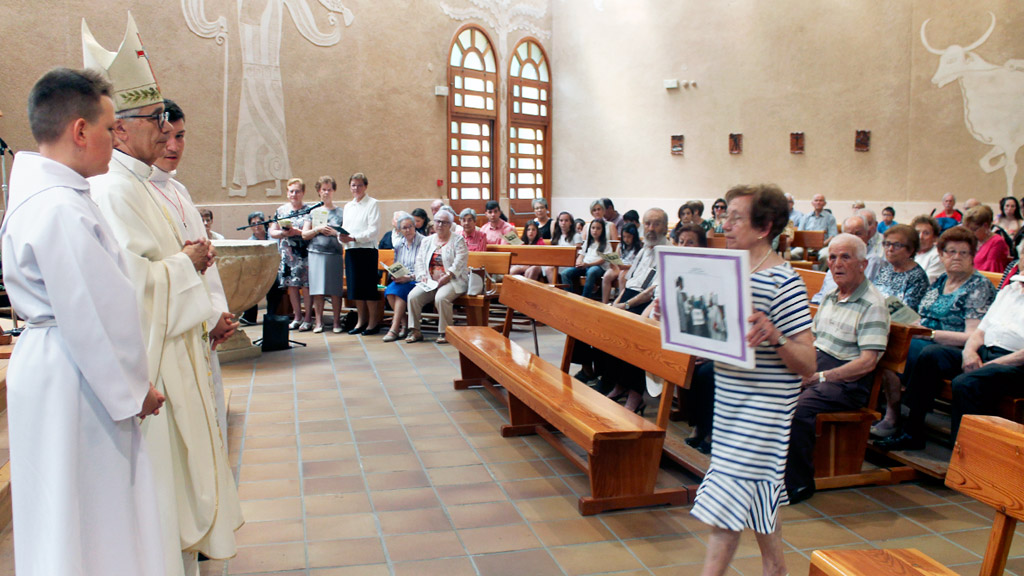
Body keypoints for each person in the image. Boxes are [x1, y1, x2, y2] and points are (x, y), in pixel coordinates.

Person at [84, 15, 243, 572]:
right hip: (155, 360)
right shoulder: (113, 190)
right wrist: (186, 264)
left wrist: (206, 306)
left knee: (181, 478)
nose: (165, 129)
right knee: (162, 482)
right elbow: (130, 284)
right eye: (156, 120)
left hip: (182, 345)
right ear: (121, 129)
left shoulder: (147, 187)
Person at [2, 66, 166, 576]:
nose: (116, 139)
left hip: (60, 366)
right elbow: (93, 312)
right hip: (77, 375)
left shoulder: (49, 195)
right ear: (79, 131)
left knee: (63, 509)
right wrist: (135, 388)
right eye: (110, 127)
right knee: (90, 512)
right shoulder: (59, 208)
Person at [690, 185, 816, 576]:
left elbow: (809, 363)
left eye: (735, 218)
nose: (724, 224)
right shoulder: (726, 270)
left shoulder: (784, 282)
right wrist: (676, 313)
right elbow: (710, 335)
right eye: (724, 216)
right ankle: (776, 570)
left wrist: (775, 334)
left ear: (764, 227)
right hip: (730, 400)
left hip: (765, 407)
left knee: (727, 503)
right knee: (760, 493)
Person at [150, 99, 237, 449]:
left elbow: (203, 263)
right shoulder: (135, 190)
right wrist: (207, 316)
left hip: (202, 326)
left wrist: (219, 313)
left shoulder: (178, 189)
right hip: (176, 331)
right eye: (165, 136)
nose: (173, 146)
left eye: (181, 136)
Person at [784, 233, 890, 504]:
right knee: (770, 387)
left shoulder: (873, 304)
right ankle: (768, 471)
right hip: (820, 365)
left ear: (863, 264)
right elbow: (814, 340)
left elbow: (867, 362)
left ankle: (799, 482)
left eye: (846, 257)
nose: (837, 263)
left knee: (797, 408)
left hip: (848, 381)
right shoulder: (831, 296)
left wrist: (819, 376)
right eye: (832, 257)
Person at [874, 226, 997, 448]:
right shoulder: (941, 281)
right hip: (924, 340)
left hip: (955, 350)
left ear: (972, 256)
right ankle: (888, 415)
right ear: (941, 255)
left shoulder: (979, 286)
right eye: (950, 252)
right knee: (887, 341)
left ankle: (909, 427)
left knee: (914, 351)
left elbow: (973, 335)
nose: (956, 258)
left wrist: (930, 334)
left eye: (963, 253)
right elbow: (924, 315)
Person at [599, 209, 670, 412]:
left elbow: (652, 290)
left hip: (646, 303)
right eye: (647, 224)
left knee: (635, 336)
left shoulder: (668, 252)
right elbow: (630, 281)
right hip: (629, 297)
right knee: (606, 326)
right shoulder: (643, 249)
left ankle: (636, 393)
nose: (651, 228)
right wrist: (617, 303)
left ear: (665, 227)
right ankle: (618, 384)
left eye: (656, 224)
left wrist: (627, 305)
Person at [406, 209, 469, 344]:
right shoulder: (427, 241)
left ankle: (444, 332)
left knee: (441, 298)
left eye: (444, 222)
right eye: (438, 221)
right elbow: (420, 260)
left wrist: (448, 275)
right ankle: (415, 331)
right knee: (413, 297)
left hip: (453, 280)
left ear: (450, 225)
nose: (440, 225)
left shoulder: (458, 240)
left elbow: (460, 262)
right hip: (430, 281)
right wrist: (422, 276)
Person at [339, 172, 382, 335]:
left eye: (359, 185)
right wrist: (341, 237)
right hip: (351, 250)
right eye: (353, 185)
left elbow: (373, 230)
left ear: (365, 186)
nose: (356, 188)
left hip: (367, 251)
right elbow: (345, 226)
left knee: (368, 289)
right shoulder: (348, 206)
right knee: (356, 289)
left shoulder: (372, 203)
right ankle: (360, 321)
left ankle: (372, 323)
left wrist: (355, 237)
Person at [269, 177, 313, 330]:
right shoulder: (281, 210)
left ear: (303, 193)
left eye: (297, 191)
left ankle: (308, 317)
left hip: (304, 253)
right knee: (292, 285)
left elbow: (308, 231)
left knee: (305, 286)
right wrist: (282, 233)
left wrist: (296, 232)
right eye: (291, 191)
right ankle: (297, 316)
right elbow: (272, 231)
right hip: (287, 253)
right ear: (287, 193)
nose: (294, 194)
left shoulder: (309, 210)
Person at [302, 176, 345, 333]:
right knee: (317, 290)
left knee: (335, 290)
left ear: (333, 191)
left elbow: (346, 234)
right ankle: (318, 322)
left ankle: (336, 322)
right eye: (323, 190)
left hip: (334, 254)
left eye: (329, 189)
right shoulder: (313, 211)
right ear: (319, 192)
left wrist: (335, 233)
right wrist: (317, 230)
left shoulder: (341, 212)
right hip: (316, 253)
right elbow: (305, 234)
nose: (326, 192)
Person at [810, 215, 881, 304]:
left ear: (868, 234)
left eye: (858, 234)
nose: (854, 238)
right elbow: (823, 293)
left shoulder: (872, 260)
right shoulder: (836, 259)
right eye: (849, 234)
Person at [382, 212, 424, 342]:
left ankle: (394, 328)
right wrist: (395, 274)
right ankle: (404, 324)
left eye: (410, 226)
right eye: (404, 228)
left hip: (418, 279)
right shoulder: (399, 245)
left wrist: (410, 277)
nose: (408, 230)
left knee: (399, 293)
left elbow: (425, 268)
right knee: (390, 291)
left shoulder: (424, 242)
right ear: (400, 230)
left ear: (414, 226)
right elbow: (397, 264)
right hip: (403, 278)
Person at [873, 224, 929, 311]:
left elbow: (907, 312)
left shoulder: (917, 277)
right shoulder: (886, 270)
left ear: (910, 250)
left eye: (897, 245)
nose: (890, 249)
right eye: (887, 244)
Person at [560, 218, 609, 300]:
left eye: (598, 228)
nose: (595, 231)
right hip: (585, 265)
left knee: (591, 272)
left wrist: (587, 264)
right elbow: (581, 254)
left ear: (602, 230)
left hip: (598, 267)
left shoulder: (606, 243)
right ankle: (570, 298)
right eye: (593, 228)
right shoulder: (587, 242)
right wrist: (578, 262)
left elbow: (602, 260)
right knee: (565, 273)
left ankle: (585, 299)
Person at [601, 223, 642, 303]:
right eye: (624, 237)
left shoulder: (639, 247)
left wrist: (625, 267)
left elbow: (638, 265)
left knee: (622, 276)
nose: (626, 239)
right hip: (621, 266)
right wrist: (612, 262)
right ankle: (604, 302)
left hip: (631, 268)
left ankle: (621, 302)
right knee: (607, 276)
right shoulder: (621, 245)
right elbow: (616, 257)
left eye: (629, 237)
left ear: (634, 236)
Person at [964, 205, 1011, 273]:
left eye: (973, 229)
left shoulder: (997, 242)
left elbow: (992, 271)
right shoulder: (974, 240)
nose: (970, 233)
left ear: (985, 226)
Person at [793, 193, 838, 260]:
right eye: (816, 200)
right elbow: (800, 234)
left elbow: (833, 236)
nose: (818, 202)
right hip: (805, 246)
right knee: (793, 254)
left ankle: (820, 271)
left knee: (825, 256)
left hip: (823, 246)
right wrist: (806, 245)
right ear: (812, 203)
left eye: (821, 200)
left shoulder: (830, 218)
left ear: (824, 203)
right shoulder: (805, 217)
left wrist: (821, 244)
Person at [549, 211, 582, 283]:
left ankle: (557, 292)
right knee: (546, 268)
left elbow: (578, 252)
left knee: (550, 268)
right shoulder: (556, 236)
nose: (563, 223)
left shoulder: (576, 236)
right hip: (557, 261)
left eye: (566, 220)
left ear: (571, 222)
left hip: (570, 263)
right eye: (561, 220)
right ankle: (555, 290)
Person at [912, 215, 945, 283]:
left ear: (934, 238)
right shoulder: (909, 254)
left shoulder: (937, 256)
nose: (920, 237)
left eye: (926, 233)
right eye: (917, 233)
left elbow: (925, 283)